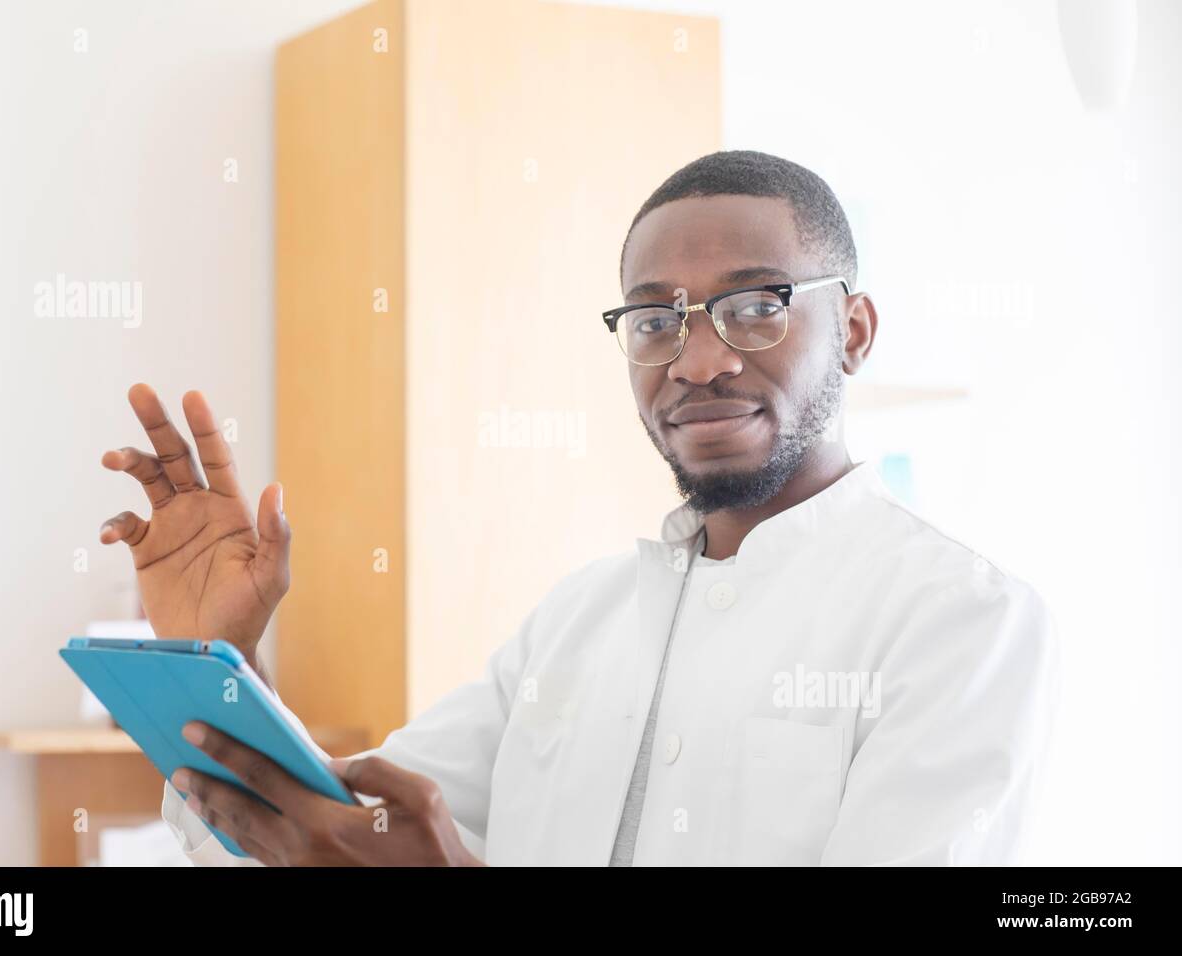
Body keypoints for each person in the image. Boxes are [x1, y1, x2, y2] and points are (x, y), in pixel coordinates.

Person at [97, 150, 1058, 866]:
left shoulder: (961, 622)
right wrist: (217, 663)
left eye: (756, 306)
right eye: (656, 320)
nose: (698, 361)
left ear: (852, 331)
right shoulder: (576, 621)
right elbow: (325, 835)